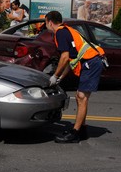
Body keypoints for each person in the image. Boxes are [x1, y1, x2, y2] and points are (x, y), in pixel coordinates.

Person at [45, 10, 105, 143]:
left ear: (49, 22)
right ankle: (81, 130)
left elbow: (65, 57)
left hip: (92, 62)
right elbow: (72, 60)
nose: (46, 27)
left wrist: (55, 75)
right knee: (80, 97)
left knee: (81, 97)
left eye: (46, 23)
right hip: (91, 61)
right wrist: (61, 77)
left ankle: (75, 133)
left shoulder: (60, 32)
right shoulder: (67, 30)